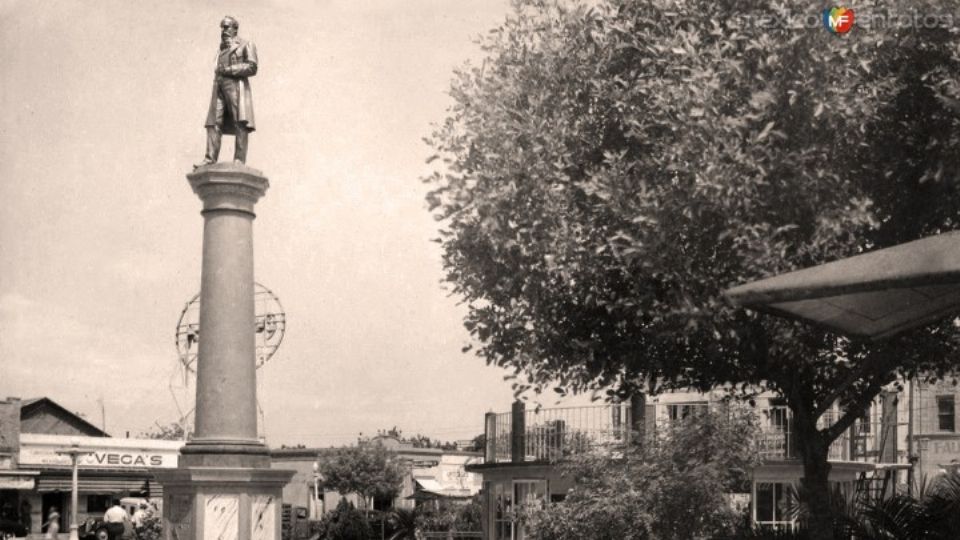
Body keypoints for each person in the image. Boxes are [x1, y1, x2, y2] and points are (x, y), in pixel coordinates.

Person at [196, 15, 258, 168]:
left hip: (236, 85)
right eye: (222, 27)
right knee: (213, 122)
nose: (223, 30)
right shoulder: (221, 49)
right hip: (219, 87)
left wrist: (230, 69)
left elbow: (252, 66)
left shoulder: (246, 44)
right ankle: (210, 158)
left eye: (227, 27)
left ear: (235, 28)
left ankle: (239, 160)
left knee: (240, 122)